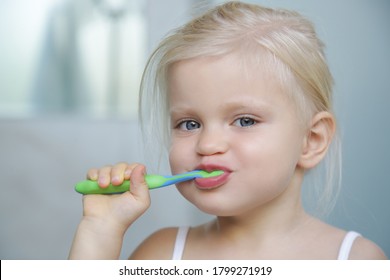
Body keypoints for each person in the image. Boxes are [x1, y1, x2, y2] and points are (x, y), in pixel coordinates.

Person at [69, 1, 386, 259]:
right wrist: (101, 229)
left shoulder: (355, 260)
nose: (208, 144)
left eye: (245, 121)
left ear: (311, 140)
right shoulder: (162, 254)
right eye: (189, 124)